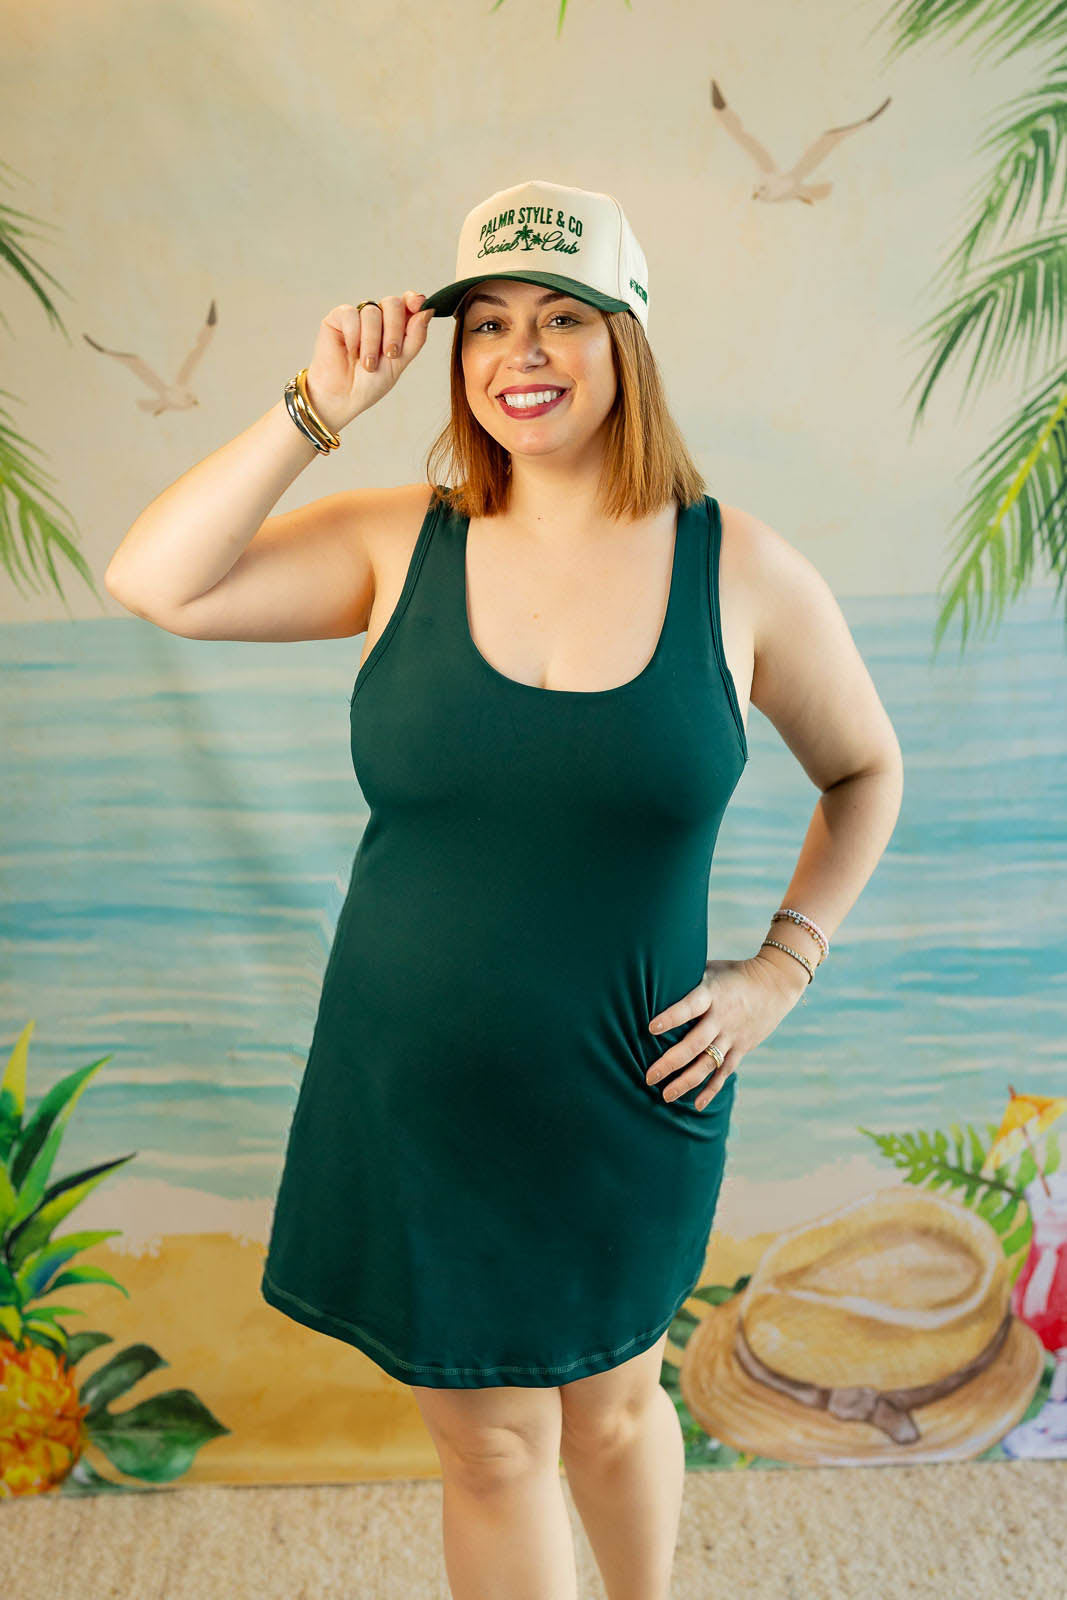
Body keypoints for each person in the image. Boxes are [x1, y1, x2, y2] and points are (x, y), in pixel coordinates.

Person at [105, 180, 904, 1600]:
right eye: (486, 325)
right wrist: (315, 403)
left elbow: (865, 774)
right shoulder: (395, 540)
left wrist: (783, 968)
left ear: (627, 348)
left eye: (560, 322)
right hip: (411, 1095)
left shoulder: (744, 572)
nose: (518, 355)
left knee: (610, 1409)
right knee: (484, 1455)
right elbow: (154, 578)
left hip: (630, 1094)